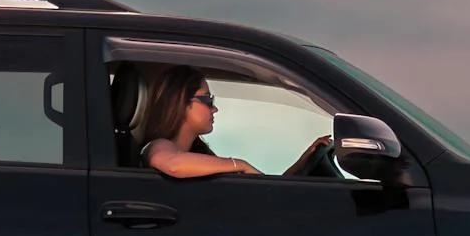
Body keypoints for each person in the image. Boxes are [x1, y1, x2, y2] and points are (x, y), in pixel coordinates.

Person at [139, 66, 330, 179]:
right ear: (180, 103)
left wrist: (303, 162)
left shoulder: (197, 155)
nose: (214, 109)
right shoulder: (159, 145)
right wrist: (239, 164)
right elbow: (171, 164)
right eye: (207, 100)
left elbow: (263, 190)